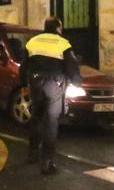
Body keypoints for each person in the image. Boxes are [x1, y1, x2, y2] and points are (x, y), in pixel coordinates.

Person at [20, 17, 81, 176]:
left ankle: (32, 153)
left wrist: (23, 84)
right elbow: (71, 66)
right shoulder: (63, 43)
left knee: (36, 117)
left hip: (36, 83)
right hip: (54, 84)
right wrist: (76, 82)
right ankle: (47, 162)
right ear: (58, 28)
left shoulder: (32, 42)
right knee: (51, 121)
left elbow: (24, 65)